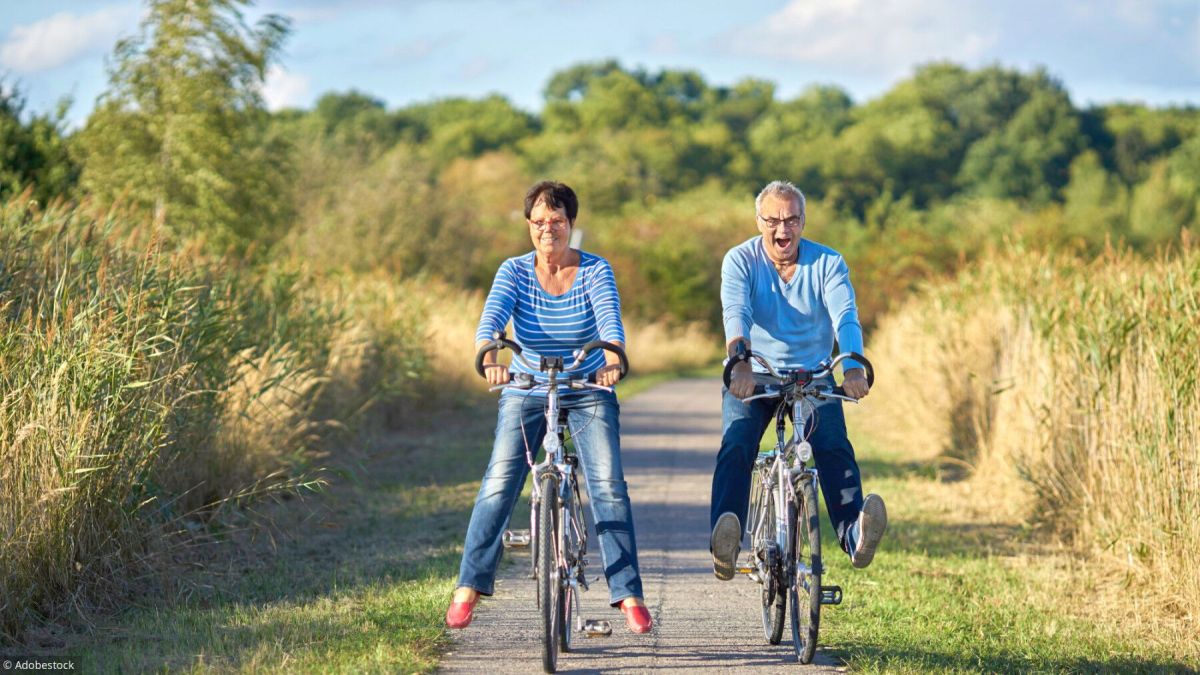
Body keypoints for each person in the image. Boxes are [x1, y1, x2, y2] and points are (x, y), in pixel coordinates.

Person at [445, 180, 652, 634]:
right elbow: (492, 322)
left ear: (571, 224)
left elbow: (610, 323)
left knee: (608, 485)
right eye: (538, 222)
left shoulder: (597, 271)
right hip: (527, 387)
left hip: (586, 385)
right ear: (528, 226)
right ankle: (469, 585)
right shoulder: (513, 272)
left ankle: (628, 592)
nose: (547, 230)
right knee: (500, 481)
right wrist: (492, 358)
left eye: (556, 221)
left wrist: (613, 360)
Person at [709, 180, 887, 581]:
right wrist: (739, 361)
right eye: (772, 220)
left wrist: (853, 367)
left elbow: (845, 316)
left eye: (791, 220)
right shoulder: (739, 261)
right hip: (754, 373)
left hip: (813, 374)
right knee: (737, 442)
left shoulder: (828, 263)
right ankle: (725, 542)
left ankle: (854, 535)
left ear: (803, 222)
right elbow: (735, 311)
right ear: (759, 222)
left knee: (833, 446)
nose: (782, 230)